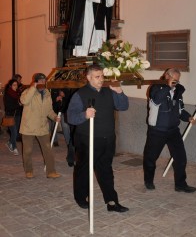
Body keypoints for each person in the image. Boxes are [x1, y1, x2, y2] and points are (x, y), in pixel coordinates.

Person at [67, 64, 129, 212]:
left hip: (107, 138)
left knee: (106, 170)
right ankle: (81, 197)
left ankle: (112, 201)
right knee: (84, 169)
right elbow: (70, 117)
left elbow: (123, 106)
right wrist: (84, 115)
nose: (101, 79)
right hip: (87, 139)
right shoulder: (80, 94)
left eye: (102, 76)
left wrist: (120, 92)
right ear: (88, 78)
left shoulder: (110, 91)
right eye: (97, 77)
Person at [143, 68, 196, 193]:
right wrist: (167, 86)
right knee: (150, 158)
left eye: (177, 80)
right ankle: (149, 181)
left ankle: (180, 184)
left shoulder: (178, 91)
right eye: (174, 80)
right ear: (166, 76)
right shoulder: (155, 88)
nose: (176, 83)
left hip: (173, 131)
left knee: (181, 158)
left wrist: (188, 117)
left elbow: (180, 110)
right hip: (157, 130)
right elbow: (156, 100)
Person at [19, 73, 61, 179]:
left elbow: (49, 110)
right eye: (41, 81)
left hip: (42, 126)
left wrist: (55, 117)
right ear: (35, 81)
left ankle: (51, 172)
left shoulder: (47, 93)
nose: (43, 83)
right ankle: (28, 170)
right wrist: (33, 88)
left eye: (44, 81)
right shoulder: (27, 92)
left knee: (48, 149)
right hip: (29, 126)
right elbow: (24, 101)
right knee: (27, 151)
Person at [51, 88, 76, 167]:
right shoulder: (56, 94)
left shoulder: (71, 94)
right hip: (61, 114)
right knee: (65, 129)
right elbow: (55, 107)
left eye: (62, 92)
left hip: (71, 115)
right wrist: (57, 100)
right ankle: (70, 153)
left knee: (71, 133)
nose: (61, 93)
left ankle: (71, 151)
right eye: (60, 92)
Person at [3, 79, 22, 155]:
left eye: (16, 85)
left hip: (17, 115)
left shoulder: (17, 93)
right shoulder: (7, 94)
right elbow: (9, 106)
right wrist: (19, 104)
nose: (16, 86)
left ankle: (9, 142)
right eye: (14, 85)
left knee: (16, 132)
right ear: (10, 85)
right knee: (14, 132)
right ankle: (14, 148)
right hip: (10, 115)